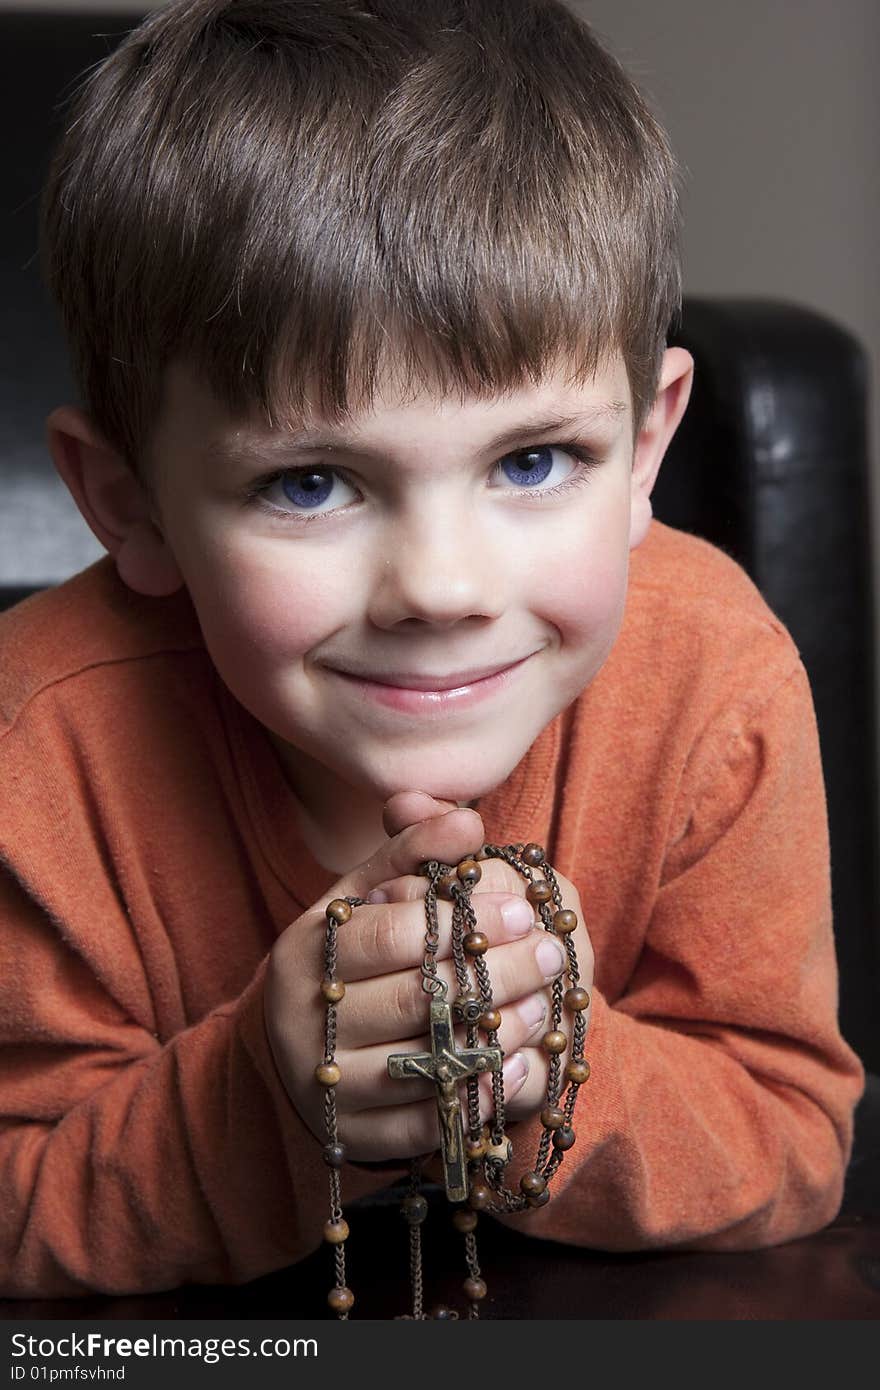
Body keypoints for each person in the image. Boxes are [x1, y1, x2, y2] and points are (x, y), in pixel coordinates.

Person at [0, 0, 863, 1302]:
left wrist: (540, 1076)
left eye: (532, 459)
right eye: (309, 483)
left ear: (644, 451)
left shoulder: (715, 676)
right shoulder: (41, 741)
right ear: (127, 502)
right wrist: (264, 1096)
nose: (444, 589)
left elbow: (791, 1134)